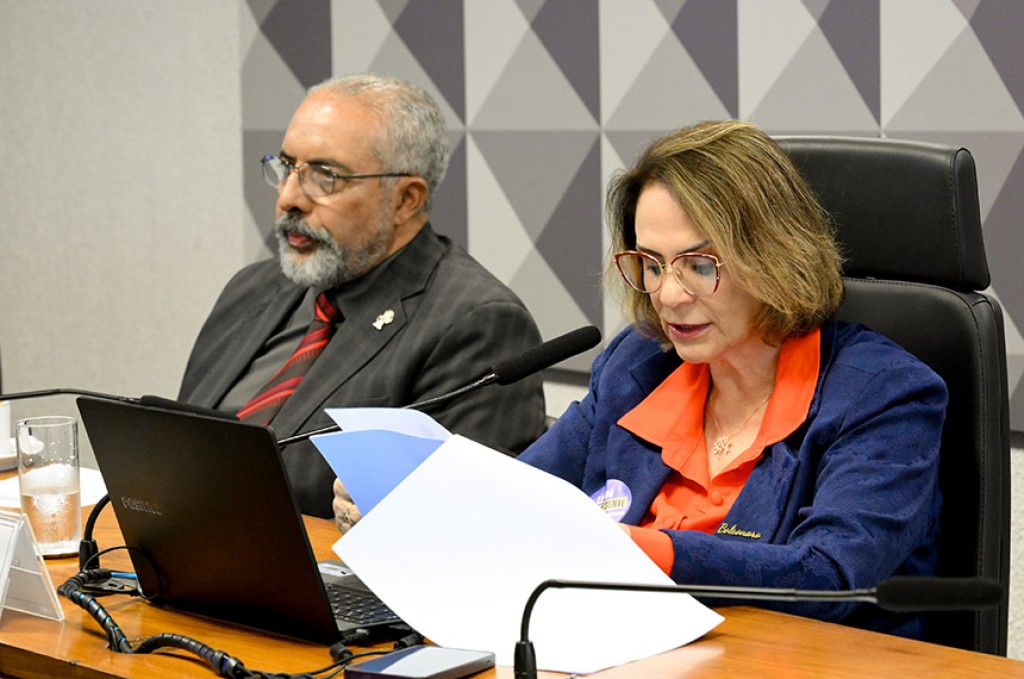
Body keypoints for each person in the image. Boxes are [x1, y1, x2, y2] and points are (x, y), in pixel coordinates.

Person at [517, 120, 947, 639]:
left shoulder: (884, 394)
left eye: (699, 265)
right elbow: (517, 498)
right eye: (652, 264)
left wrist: (634, 549)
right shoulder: (637, 366)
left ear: (774, 256)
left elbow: (829, 577)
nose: (669, 295)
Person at [179, 73, 547, 520]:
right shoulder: (252, 288)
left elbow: (460, 521)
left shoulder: (477, 323)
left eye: (324, 177)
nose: (289, 197)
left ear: (406, 200)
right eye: (288, 167)